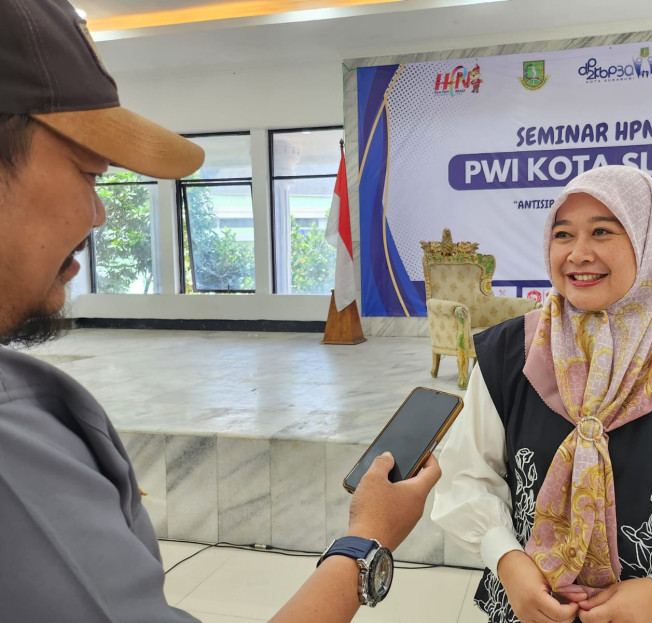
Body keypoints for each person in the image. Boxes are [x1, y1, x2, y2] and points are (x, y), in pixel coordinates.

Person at [0, 1, 440, 621]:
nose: (99, 214)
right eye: (88, 171)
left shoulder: (31, 396)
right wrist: (365, 545)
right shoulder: (17, 446)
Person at [431, 165, 652, 623]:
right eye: (562, 235)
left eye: (601, 231)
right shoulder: (509, 355)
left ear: (649, 242)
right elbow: (465, 473)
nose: (578, 254)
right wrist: (509, 561)